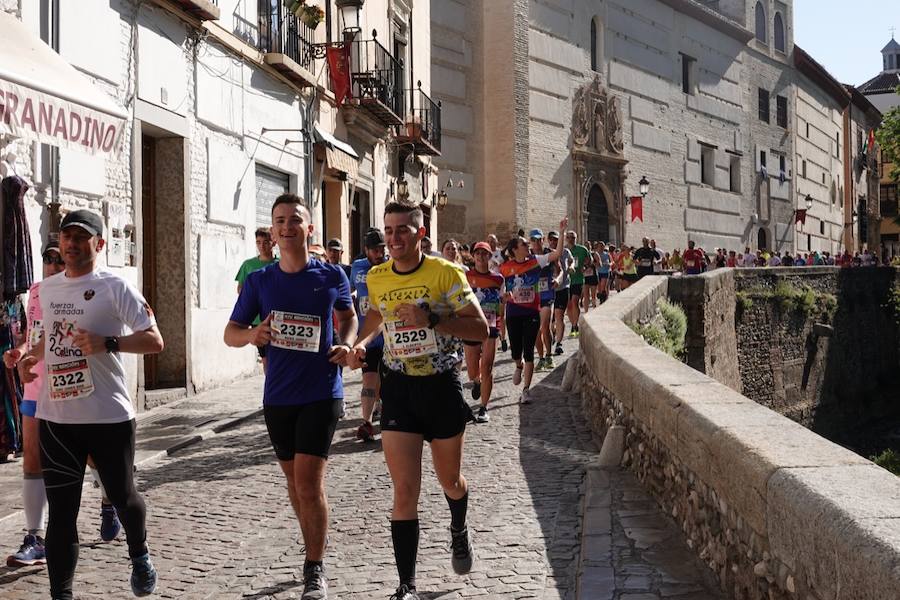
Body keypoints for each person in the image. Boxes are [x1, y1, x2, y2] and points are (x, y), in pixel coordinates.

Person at [16, 210, 164, 599]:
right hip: (56, 416)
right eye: (67, 237)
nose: (72, 245)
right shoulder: (47, 289)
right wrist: (31, 357)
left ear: (99, 244)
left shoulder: (116, 287)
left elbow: (154, 341)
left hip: (108, 416)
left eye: (82, 238)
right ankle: (61, 594)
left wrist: (108, 343)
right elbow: (51, 336)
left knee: (123, 496)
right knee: (62, 514)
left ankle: (139, 553)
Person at [347, 201, 489, 600]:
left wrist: (433, 320)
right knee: (404, 491)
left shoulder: (445, 273)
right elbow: (375, 316)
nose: (394, 239)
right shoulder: (376, 277)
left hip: (441, 388)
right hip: (401, 390)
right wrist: (356, 344)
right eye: (388, 231)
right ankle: (406, 586)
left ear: (420, 233)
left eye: (402, 231)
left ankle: (458, 527)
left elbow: (479, 329)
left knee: (450, 481)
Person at [224, 194, 357, 600]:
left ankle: (314, 568)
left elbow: (349, 317)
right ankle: (313, 541)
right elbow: (231, 333)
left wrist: (347, 343)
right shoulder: (259, 282)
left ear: (308, 228)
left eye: (294, 220)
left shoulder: (332, 276)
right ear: (273, 229)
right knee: (294, 482)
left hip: (321, 392)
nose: (286, 227)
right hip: (278, 396)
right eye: (279, 220)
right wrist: (254, 335)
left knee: (308, 482)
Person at [4, 242, 123, 569]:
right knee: (32, 458)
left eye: (60, 259)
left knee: (90, 456)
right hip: (37, 386)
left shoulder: (88, 290)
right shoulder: (37, 292)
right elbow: (32, 335)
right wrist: (19, 351)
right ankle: (35, 538)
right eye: (48, 259)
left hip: (75, 388)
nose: (54, 265)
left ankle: (109, 497)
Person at [500, 218, 569, 404]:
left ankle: (526, 390)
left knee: (529, 350)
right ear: (515, 249)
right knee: (516, 351)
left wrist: (562, 232)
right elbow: (498, 290)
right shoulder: (505, 268)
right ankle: (518, 365)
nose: (527, 246)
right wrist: (504, 296)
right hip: (513, 314)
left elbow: (558, 254)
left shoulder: (535, 261)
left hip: (531, 312)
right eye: (524, 244)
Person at [349, 229, 387, 442]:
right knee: (369, 380)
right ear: (366, 250)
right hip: (367, 337)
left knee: (387, 383)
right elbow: (350, 290)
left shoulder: (392, 266)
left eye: (382, 248)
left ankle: (388, 416)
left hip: (390, 336)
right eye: (374, 249)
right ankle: (366, 423)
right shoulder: (358, 267)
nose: (379, 253)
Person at [464, 242, 504, 423]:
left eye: (484, 253)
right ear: (473, 256)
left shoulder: (498, 279)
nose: (481, 257)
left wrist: (502, 327)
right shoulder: (465, 277)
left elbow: (502, 303)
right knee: (473, 370)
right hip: (471, 326)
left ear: (490, 256)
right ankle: (477, 382)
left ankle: (483, 407)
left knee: (487, 367)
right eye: (477, 253)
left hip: (491, 326)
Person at [236, 228, 279, 372]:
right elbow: (240, 289)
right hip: (257, 320)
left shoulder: (281, 263)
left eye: (266, 242)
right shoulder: (248, 265)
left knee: (279, 357)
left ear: (273, 243)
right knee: (265, 358)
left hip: (279, 317)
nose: (262, 246)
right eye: (258, 243)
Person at [528, 229, 555, 372]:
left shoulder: (549, 253)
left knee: (544, 326)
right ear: (530, 241)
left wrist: (558, 278)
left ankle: (549, 355)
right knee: (535, 330)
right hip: (533, 297)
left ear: (543, 239)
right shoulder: (527, 256)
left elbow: (560, 269)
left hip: (547, 294)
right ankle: (541, 358)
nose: (536, 242)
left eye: (539, 239)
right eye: (533, 240)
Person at [547, 231, 573, 356]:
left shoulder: (565, 252)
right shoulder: (546, 253)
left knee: (559, 316)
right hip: (548, 290)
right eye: (551, 239)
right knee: (551, 320)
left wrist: (571, 266)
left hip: (563, 287)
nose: (553, 242)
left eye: (556, 239)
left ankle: (559, 344)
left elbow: (572, 260)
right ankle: (553, 334)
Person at [564, 230, 589, 336]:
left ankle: (574, 325)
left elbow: (589, 260)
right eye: (569, 237)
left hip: (578, 280)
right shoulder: (562, 250)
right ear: (566, 238)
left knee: (574, 301)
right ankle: (574, 324)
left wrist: (584, 267)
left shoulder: (582, 249)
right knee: (568, 306)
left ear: (576, 238)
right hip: (565, 281)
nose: (571, 239)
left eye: (573, 237)